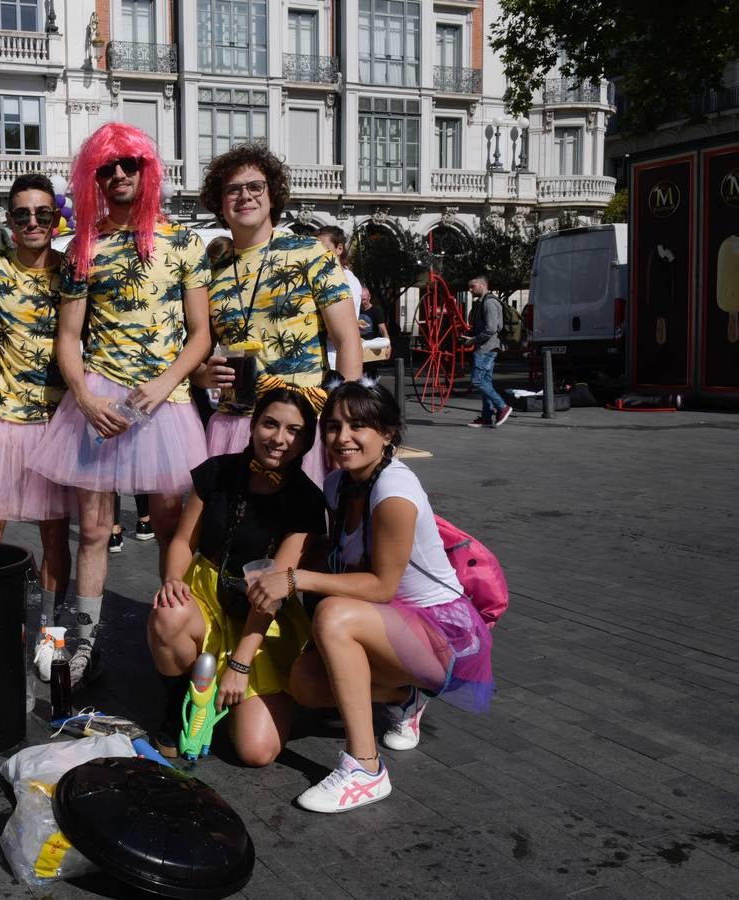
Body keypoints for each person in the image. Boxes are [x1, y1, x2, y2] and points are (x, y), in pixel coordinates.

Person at [247, 381, 494, 813]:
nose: (343, 437)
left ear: (387, 433)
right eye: (333, 426)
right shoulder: (337, 484)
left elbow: (382, 586)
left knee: (334, 616)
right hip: (392, 624)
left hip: (445, 635)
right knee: (305, 683)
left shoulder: (394, 491)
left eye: (358, 425)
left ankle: (365, 769)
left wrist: (294, 579)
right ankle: (404, 697)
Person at [28, 122, 212, 687]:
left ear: (146, 169)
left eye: (129, 164)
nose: (118, 175)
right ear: (94, 178)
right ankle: (83, 644)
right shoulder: (83, 248)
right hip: (101, 403)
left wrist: (165, 382)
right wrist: (84, 398)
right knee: (92, 528)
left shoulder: (184, 243)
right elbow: (68, 338)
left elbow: (201, 335)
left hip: (167, 405)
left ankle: (175, 638)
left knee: (171, 528)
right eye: (106, 168)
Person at [147, 388, 325, 763]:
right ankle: (179, 699)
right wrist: (174, 579)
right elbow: (182, 541)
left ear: (307, 441)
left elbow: (274, 590)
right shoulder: (217, 471)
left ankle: (223, 687)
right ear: (253, 425)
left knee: (257, 752)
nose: (279, 439)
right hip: (207, 593)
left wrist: (240, 665)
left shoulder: (307, 500)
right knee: (168, 614)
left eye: (293, 431)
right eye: (270, 424)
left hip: (263, 615)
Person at [196, 145, 359, 488]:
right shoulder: (210, 270)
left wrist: (341, 418)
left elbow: (347, 340)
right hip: (233, 424)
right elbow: (195, 352)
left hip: (299, 421)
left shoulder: (310, 252)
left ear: (272, 195)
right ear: (220, 204)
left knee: (300, 520)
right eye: (232, 189)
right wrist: (204, 375)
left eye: (255, 186)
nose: (245, 196)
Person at [0, 173, 72, 630]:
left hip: (56, 422)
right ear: (9, 221)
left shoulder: (74, 270)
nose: (33, 222)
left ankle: (51, 631)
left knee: (55, 536)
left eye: (42, 214)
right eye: (22, 214)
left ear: (55, 219)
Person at [461, 272, 513, 428]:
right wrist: (469, 336)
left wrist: (472, 340)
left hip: (486, 348)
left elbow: (490, 329)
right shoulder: (482, 302)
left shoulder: (489, 302)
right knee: (486, 381)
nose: (470, 290)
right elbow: (483, 327)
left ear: (483, 285)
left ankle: (502, 407)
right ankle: (486, 417)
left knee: (477, 380)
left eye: (473, 286)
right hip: (486, 346)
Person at [315, 226, 363, 373]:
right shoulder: (327, 277)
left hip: (334, 361)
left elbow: (341, 332)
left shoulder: (345, 280)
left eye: (324, 249)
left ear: (339, 249)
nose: (317, 254)